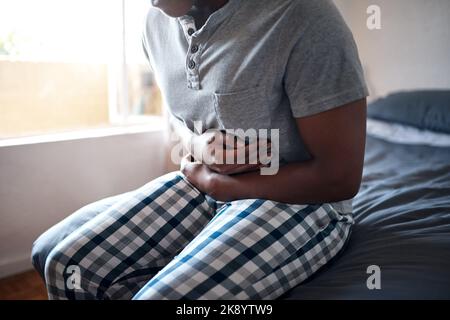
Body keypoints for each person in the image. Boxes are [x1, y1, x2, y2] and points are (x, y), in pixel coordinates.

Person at [32, 0, 368, 299]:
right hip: (207, 185)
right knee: (68, 267)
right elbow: (178, 117)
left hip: (303, 201)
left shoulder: (303, 16)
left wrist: (219, 185)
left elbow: (340, 177)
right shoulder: (154, 24)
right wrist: (196, 144)